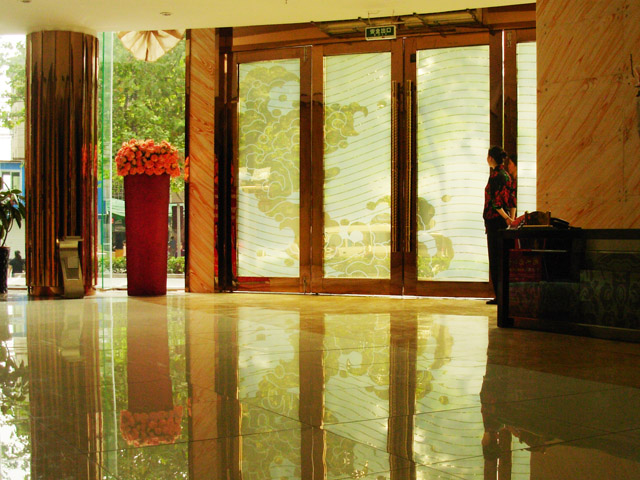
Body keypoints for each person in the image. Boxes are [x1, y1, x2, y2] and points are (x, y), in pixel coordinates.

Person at [483, 146, 513, 305]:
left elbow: (495, 203)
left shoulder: (495, 176)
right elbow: (512, 199)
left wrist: (506, 218)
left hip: (495, 221)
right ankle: (504, 295)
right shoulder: (507, 175)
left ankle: (499, 296)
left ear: (490, 158)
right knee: (503, 258)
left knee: (495, 259)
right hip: (504, 221)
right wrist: (511, 218)